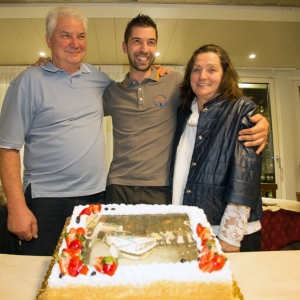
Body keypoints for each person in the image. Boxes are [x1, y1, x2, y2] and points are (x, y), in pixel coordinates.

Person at [102, 14, 269, 205]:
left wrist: (259, 120)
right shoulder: (112, 93)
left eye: (151, 42)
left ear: (156, 47)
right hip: (118, 186)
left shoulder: (175, 82)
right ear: (125, 46)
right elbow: (80, 115)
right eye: (137, 41)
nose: (144, 49)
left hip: (162, 187)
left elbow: (217, 97)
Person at [0, 6, 113, 256]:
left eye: (80, 36)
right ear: (49, 40)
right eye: (66, 35)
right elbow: (6, 147)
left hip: (93, 198)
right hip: (45, 201)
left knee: (87, 273)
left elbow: (130, 96)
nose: (75, 43)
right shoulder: (27, 81)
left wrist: (158, 73)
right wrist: (16, 208)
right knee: (36, 276)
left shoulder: (99, 79)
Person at [170, 44, 263, 253]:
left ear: (224, 74)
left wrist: (230, 238)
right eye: (196, 69)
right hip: (191, 229)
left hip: (229, 235)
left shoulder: (241, 109)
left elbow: (244, 178)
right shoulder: (184, 113)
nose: (202, 75)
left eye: (212, 69)